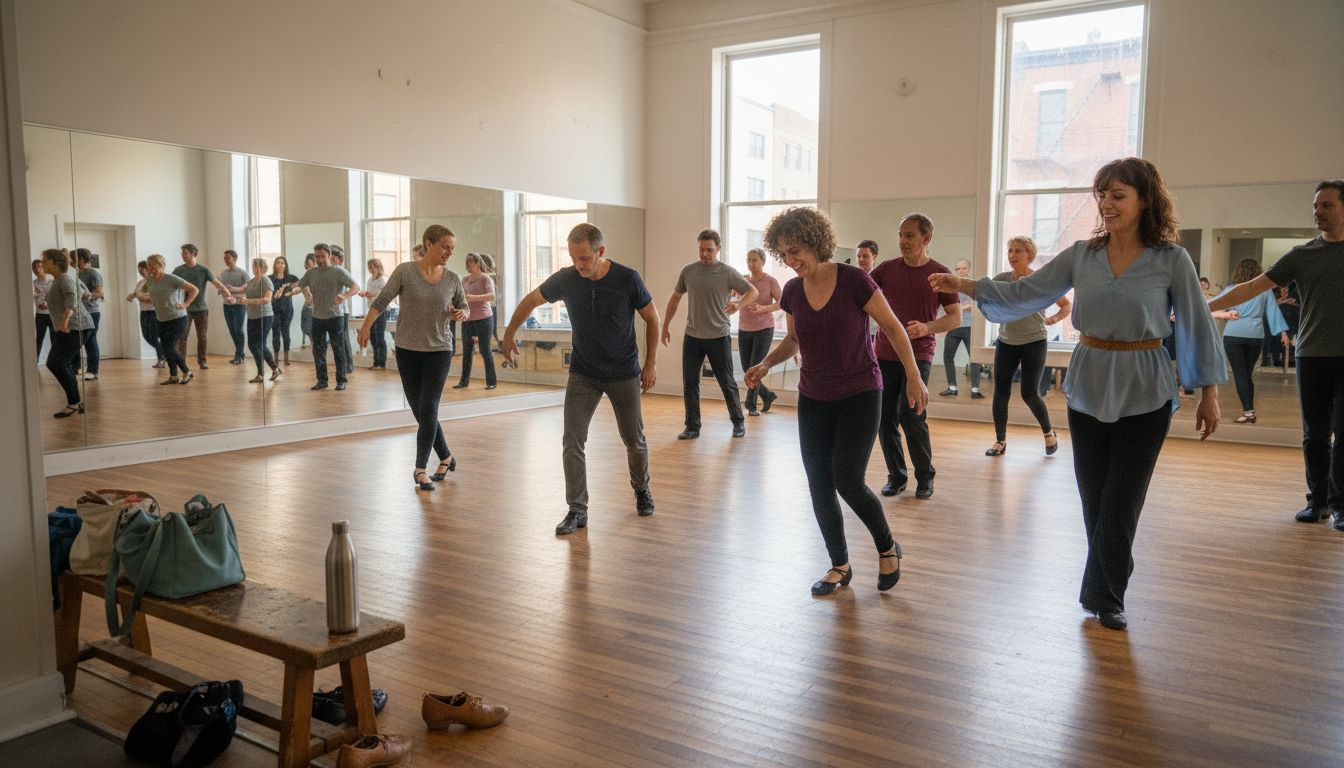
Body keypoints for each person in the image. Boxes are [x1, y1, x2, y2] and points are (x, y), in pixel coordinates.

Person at [932, 157, 1225, 631]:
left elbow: (1195, 324)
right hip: (1088, 381)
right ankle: (1114, 569)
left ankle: (1107, 596)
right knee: (1094, 497)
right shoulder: (1082, 254)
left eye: (1118, 195)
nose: (1106, 204)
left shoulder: (1172, 259)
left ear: (1145, 200)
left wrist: (1209, 392)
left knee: (1122, 499)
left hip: (1145, 385)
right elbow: (1026, 292)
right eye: (1102, 195)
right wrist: (965, 285)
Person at [743, 207, 928, 596]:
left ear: (814, 241)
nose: (791, 261)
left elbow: (892, 328)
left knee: (847, 478)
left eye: (795, 251)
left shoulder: (855, 280)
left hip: (860, 391)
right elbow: (793, 340)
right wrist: (764, 364)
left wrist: (913, 376)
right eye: (784, 255)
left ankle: (887, 546)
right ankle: (839, 565)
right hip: (814, 395)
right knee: (818, 483)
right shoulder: (792, 291)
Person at [501, 223, 659, 535]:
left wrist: (650, 365)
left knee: (633, 439)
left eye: (585, 258)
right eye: (574, 258)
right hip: (583, 374)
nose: (579, 265)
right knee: (572, 439)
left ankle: (641, 489)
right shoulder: (567, 279)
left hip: (623, 373)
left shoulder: (627, 279)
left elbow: (652, 318)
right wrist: (508, 335)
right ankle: (577, 509)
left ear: (601, 251)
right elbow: (531, 301)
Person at [1210, 179, 1344, 527]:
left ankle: (1341, 504)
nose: (1318, 211)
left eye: (1326, 205)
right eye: (1315, 205)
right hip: (1312, 354)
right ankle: (1318, 503)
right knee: (1314, 434)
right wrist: (1205, 303)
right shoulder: (1303, 255)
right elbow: (1252, 288)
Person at [359, 225, 468, 490]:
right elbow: (382, 300)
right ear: (428, 244)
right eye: (445, 247)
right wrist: (366, 326)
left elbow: (464, 306)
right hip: (407, 350)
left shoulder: (452, 278)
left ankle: (420, 469)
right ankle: (446, 456)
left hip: (439, 350)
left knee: (429, 408)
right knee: (421, 411)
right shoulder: (405, 271)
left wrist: (460, 313)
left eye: (452, 248)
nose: (449, 253)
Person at [869, 213, 961, 499]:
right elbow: (861, 296)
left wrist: (927, 327)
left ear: (926, 238)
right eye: (900, 235)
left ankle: (925, 476)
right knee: (884, 419)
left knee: (912, 417)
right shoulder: (885, 270)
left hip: (919, 355)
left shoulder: (939, 274)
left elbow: (955, 319)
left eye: (909, 235)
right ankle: (897, 476)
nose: (902, 241)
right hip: (884, 354)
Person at [661, 229, 757, 439]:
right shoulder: (688, 271)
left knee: (727, 382)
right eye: (702, 249)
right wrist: (665, 325)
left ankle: (738, 422)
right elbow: (675, 298)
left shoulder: (727, 272)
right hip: (693, 337)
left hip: (719, 337)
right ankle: (692, 426)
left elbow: (753, 291)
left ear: (718, 249)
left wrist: (739, 304)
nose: (705, 254)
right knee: (690, 384)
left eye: (710, 250)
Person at [982, 237, 1071, 457]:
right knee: (1000, 393)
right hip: (1006, 343)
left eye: (1018, 251)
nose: (1012, 255)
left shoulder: (1039, 280)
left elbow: (1066, 305)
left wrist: (1054, 319)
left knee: (1029, 393)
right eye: (1010, 250)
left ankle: (1049, 434)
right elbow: (983, 294)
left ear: (1029, 255)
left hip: (1034, 342)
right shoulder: (1002, 279)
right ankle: (1000, 441)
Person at [1210, 259, 1287, 425]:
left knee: (1240, 375)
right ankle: (1249, 411)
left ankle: (1249, 412)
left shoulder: (1232, 289)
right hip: (1255, 336)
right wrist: (1283, 333)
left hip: (1233, 334)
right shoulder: (1264, 291)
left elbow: (1213, 305)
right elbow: (1273, 311)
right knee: (1246, 375)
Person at [294, 244, 359, 391]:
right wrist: (296, 290)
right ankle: (322, 381)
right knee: (318, 350)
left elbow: (356, 287)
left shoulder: (338, 271)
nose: (319, 259)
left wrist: (344, 296)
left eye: (322, 256)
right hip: (317, 317)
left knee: (338, 349)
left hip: (335, 317)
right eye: (317, 256)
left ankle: (341, 380)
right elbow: (301, 284)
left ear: (329, 255)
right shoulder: (312, 273)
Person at [41, 249, 92, 416]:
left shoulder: (64, 279)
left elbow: (72, 299)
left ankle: (74, 402)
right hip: (72, 326)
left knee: (56, 363)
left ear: (56, 263)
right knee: (61, 363)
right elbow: (79, 296)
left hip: (75, 327)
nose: (43, 263)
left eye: (46, 260)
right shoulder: (58, 280)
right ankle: (75, 402)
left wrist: (64, 321)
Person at [139, 253, 199, 385]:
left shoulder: (172, 279)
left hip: (177, 318)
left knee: (169, 347)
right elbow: (155, 295)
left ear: (160, 266)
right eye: (149, 267)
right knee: (166, 348)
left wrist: (185, 304)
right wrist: (141, 296)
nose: (150, 269)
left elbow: (194, 289)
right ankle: (173, 376)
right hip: (161, 318)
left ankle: (187, 371)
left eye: (153, 266)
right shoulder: (150, 280)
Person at [736, 248, 781, 416]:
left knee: (755, 368)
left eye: (754, 260)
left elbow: (781, 302)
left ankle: (751, 405)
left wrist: (764, 308)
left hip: (764, 329)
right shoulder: (742, 280)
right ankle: (767, 395)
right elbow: (733, 297)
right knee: (746, 368)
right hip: (744, 329)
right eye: (748, 260)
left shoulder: (770, 281)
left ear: (762, 262)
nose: (751, 263)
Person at [172, 243, 231, 369]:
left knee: (202, 336)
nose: (182, 255)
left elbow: (217, 284)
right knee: (182, 336)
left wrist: (228, 295)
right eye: (182, 253)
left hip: (201, 309)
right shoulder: (178, 270)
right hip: (184, 309)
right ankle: (181, 362)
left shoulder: (203, 270)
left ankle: (202, 361)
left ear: (194, 253)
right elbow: (170, 286)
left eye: (185, 253)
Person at [939, 258, 984, 399]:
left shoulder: (971, 285)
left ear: (968, 269)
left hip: (969, 327)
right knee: (947, 357)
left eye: (963, 268)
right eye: (958, 268)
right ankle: (952, 387)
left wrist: (958, 308)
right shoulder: (952, 287)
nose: (960, 271)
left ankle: (975, 389)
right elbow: (945, 307)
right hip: (954, 326)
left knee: (974, 358)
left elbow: (973, 305)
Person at [452, 253, 498, 389]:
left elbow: (492, 296)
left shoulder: (486, 279)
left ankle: (491, 382)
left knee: (485, 350)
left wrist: (473, 297)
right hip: (467, 319)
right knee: (467, 352)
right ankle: (463, 382)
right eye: (466, 262)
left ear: (478, 263)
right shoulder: (465, 280)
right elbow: (459, 297)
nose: (467, 264)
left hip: (484, 319)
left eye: (470, 261)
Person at [239, 257, 281, 383]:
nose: (254, 268)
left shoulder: (266, 280)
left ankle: (262, 374)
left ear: (262, 268)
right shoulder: (252, 281)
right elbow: (241, 290)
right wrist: (227, 290)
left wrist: (248, 301)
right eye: (253, 266)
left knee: (258, 344)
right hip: (252, 316)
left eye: (256, 266)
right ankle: (274, 369)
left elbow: (267, 299)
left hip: (265, 316)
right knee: (252, 345)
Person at [126, 260, 165, 368]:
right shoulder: (140, 283)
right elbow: (135, 294)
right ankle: (164, 352)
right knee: (146, 335)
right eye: (139, 271)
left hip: (154, 311)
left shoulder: (156, 281)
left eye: (143, 270)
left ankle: (162, 358)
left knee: (153, 336)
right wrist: (130, 297)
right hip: (143, 312)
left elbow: (158, 296)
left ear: (148, 269)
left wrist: (147, 298)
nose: (141, 272)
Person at [73, 249, 103, 381]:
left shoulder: (93, 273)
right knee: (77, 340)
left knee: (90, 341)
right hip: (79, 312)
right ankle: (75, 368)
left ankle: (93, 371)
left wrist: (88, 297)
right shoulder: (76, 274)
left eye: (74, 258)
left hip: (92, 312)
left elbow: (100, 293)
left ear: (81, 259)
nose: (72, 261)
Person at [330, 245, 358, 378]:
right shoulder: (330, 271)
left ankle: (348, 365)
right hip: (334, 311)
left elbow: (354, 287)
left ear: (339, 260)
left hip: (342, 311)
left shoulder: (341, 271)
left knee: (343, 338)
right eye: (331, 258)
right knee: (341, 339)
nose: (332, 261)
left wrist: (344, 296)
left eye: (334, 259)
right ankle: (347, 365)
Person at [358, 258, 390, 370]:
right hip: (372, 309)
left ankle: (382, 362)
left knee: (379, 336)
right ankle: (376, 362)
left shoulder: (382, 281)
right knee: (373, 336)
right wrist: (365, 294)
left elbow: (385, 297)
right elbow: (371, 294)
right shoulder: (370, 280)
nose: (370, 269)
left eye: (372, 267)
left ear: (378, 267)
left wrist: (370, 295)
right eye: (369, 267)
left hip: (381, 310)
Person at [268, 255, 298, 366]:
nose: (280, 265)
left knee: (286, 334)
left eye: (282, 263)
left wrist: (293, 289)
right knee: (276, 334)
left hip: (287, 310)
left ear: (285, 265)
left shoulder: (291, 278)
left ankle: (286, 359)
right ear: (275, 265)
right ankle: (276, 359)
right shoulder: (269, 278)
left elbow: (301, 285)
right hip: (274, 310)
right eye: (278, 263)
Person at [32, 258, 53, 356]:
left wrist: (47, 303)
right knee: (39, 338)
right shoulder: (34, 282)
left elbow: (53, 295)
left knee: (55, 339)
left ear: (43, 267)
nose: (37, 270)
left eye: (39, 267)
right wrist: (41, 301)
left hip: (52, 314)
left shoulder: (51, 278)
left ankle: (55, 364)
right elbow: (35, 296)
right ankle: (34, 362)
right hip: (40, 314)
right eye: (35, 268)